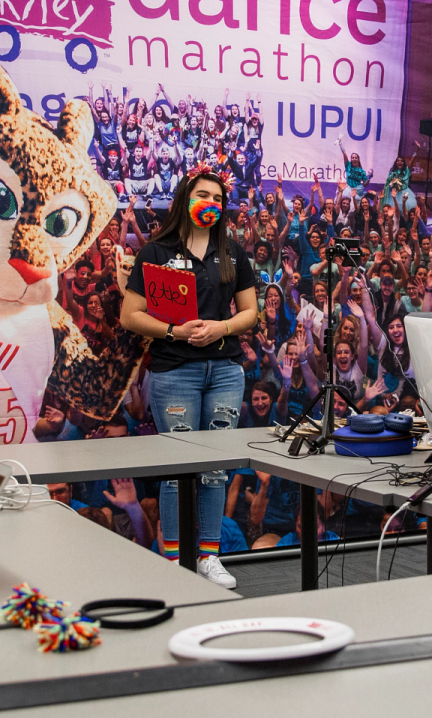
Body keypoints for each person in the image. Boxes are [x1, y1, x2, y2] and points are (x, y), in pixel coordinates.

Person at [120, 165, 258, 588]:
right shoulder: (156, 253)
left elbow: (251, 312)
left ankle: (209, 557)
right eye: (203, 195)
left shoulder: (233, 253)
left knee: (215, 468)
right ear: (185, 199)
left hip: (225, 372)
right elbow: (130, 315)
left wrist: (221, 327)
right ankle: (173, 560)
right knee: (178, 467)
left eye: (217, 199)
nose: (210, 204)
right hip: (174, 370)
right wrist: (173, 331)